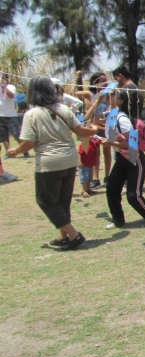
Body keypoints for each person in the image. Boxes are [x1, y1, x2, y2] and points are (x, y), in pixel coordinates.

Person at [6, 76, 99, 249]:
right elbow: (79, 130)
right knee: (63, 201)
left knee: (46, 201)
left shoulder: (31, 114)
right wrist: (92, 129)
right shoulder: (63, 109)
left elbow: (29, 142)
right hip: (69, 160)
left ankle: (73, 235)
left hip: (49, 162)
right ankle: (62, 235)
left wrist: (15, 151)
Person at [101, 89, 145, 229]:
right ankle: (118, 220)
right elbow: (89, 119)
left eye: (113, 94)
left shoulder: (122, 119)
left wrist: (110, 144)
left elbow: (132, 145)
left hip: (134, 158)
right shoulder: (110, 115)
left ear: (121, 101)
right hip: (122, 157)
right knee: (112, 188)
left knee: (133, 195)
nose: (109, 96)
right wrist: (98, 100)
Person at [75, 71, 112, 189]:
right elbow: (76, 92)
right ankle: (95, 179)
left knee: (107, 152)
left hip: (106, 127)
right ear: (95, 82)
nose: (105, 83)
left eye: (106, 80)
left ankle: (107, 177)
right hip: (93, 128)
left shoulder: (110, 94)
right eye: (102, 81)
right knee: (95, 153)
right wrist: (78, 78)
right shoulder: (91, 94)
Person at [0, 74, 29, 159]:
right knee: (3, 136)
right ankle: (9, 152)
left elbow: (11, 95)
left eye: (3, 78)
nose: (2, 80)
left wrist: (3, 86)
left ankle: (24, 150)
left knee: (16, 135)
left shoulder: (10, 87)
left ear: (7, 79)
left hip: (11, 115)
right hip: (1, 115)